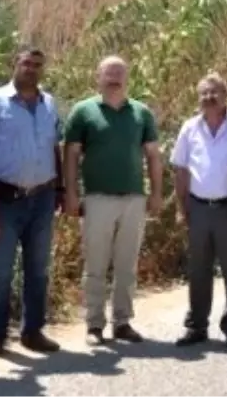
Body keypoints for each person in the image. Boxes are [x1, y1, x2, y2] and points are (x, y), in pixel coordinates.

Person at [62, 56, 163, 346]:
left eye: (119, 73)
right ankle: (94, 325)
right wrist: (71, 192)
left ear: (127, 77)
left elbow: (154, 156)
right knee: (95, 264)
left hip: (133, 199)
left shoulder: (141, 113)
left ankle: (123, 322)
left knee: (126, 264)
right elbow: (70, 156)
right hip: (97, 198)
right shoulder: (84, 111)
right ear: (98, 76)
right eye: (109, 73)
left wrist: (155, 193)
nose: (114, 78)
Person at [0, 45, 63, 356]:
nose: (31, 69)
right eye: (26, 63)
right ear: (14, 64)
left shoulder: (49, 103)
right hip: (5, 201)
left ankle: (33, 331)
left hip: (42, 199)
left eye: (37, 64)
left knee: (38, 269)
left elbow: (56, 148)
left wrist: (61, 189)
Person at [170, 73, 227, 348]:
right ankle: (196, 326)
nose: (209, 98)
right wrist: (181, 209)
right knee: (198, 269)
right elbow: (181, 170)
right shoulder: (190, 127)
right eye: (204, 93)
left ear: (225, 96)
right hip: (198, 207)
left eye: (214, 93)